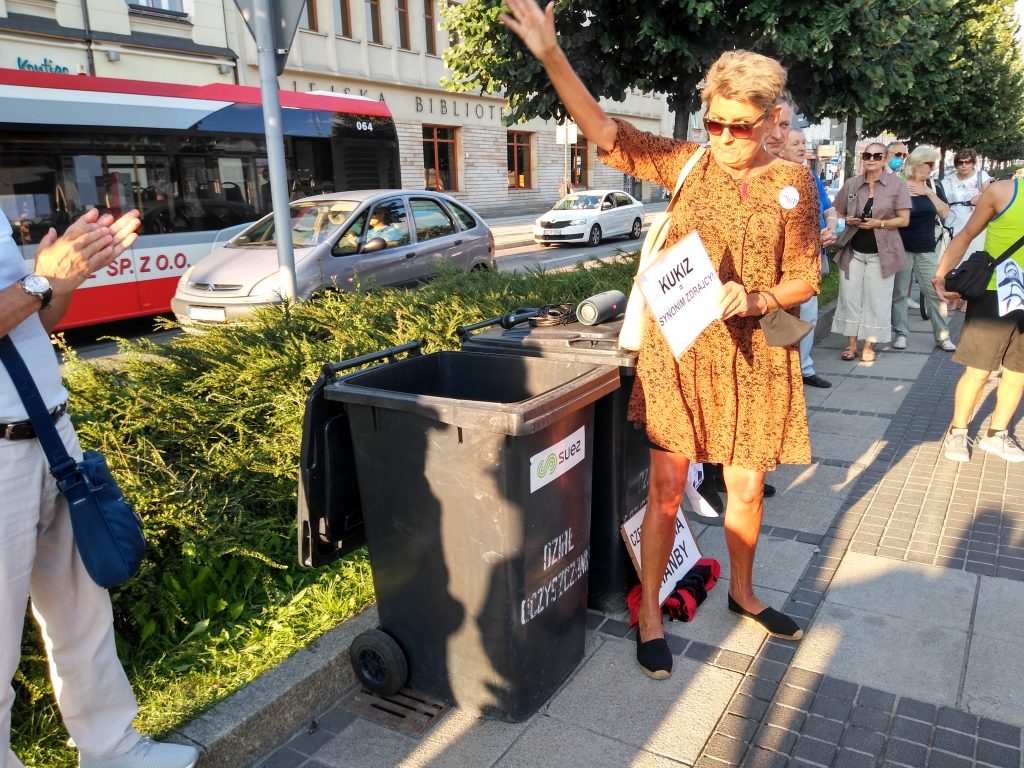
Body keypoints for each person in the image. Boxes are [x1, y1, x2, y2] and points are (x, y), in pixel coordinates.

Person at [501, 0, 821, 680]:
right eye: (715, 122)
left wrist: (760, 296)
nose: (727, 136)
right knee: (667, 491)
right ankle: (647, 613)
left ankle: (742, 593)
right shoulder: (687, 164)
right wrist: (552, 54)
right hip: (681, 355)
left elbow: (806, 275)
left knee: (746, 489)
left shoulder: (794, 183)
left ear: (769, 119)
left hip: (755, 356)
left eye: (741, 125)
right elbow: (604, 130)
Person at [0, 208, 200, 768]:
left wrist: (62, 283)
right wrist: (38, 280)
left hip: (48, 431)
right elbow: (26, 294)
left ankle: (113, 748)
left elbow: (29, 327)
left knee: (82, 615)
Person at [933, 177, 1024, 463]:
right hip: (996, 292)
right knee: (979, 370)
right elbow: (966, 234)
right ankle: (958, 431)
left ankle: (997, 434)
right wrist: (941, 275)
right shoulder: (1003, 191)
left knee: (1018, 372)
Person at [831, 143, 911, 362]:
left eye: (877, 155)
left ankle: (869, 345)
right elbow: (836, 210)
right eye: (867, 155)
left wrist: (879, 223)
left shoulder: (897, 185)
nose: (871, 159)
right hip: (853, 250)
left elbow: (904, 219)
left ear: (885, 159)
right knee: (849, 297)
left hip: (883, 253)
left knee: (877, 300)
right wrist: (846, 219)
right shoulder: (852, 184)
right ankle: (851, 344)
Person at [779, 126, 837, 388]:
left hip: (810, 258)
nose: (803, 148)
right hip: (781, 263)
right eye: (796, 144)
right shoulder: (774, 175)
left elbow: (829, 209)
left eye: (804, 143)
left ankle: (803, 368)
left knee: (809, 316)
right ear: (780, 147)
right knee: (781, 320)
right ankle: (782, 374)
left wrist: (832, 225)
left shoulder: (810, 175)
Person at [890, 145, 955, 351]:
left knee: (935, 292)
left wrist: (927, 192)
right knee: (899, 293)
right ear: (917, 165)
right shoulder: (897, 184)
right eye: (929, 164)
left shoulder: (934, 186)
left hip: (927, 248)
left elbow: (944, 213)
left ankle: (943, 336)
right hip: (901, 247)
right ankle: (901, 333)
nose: (932, 168)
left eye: (933, 164)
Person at [941, 148, 992, 257]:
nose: (964, 165)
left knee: (974, 261)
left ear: (973, 163)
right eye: (960, 162)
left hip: (977, 228)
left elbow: (991, 197)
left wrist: (982, 199)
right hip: (954, 228)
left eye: (967, 162)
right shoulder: (947, 181)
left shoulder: (981, 176)